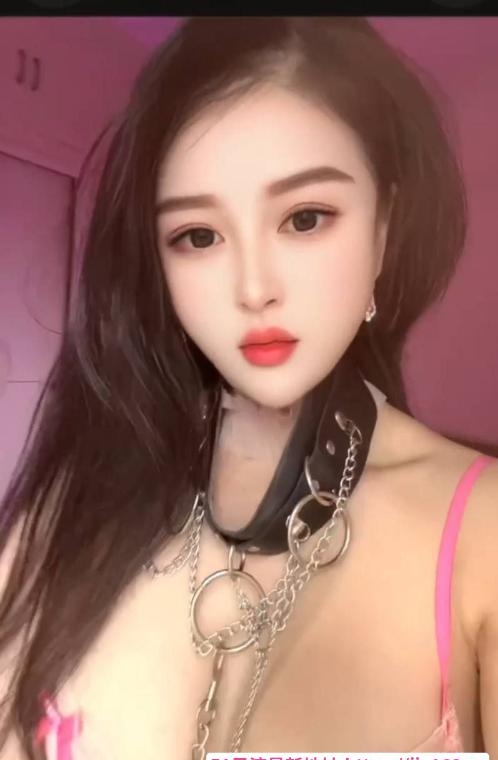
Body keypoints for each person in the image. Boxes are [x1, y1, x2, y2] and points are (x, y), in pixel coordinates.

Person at [0, 16, 496, 760]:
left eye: (305, 218)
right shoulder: (77, 498)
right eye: (198, 236)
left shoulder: (483, 533)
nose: (253, 287)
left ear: (384, 231)